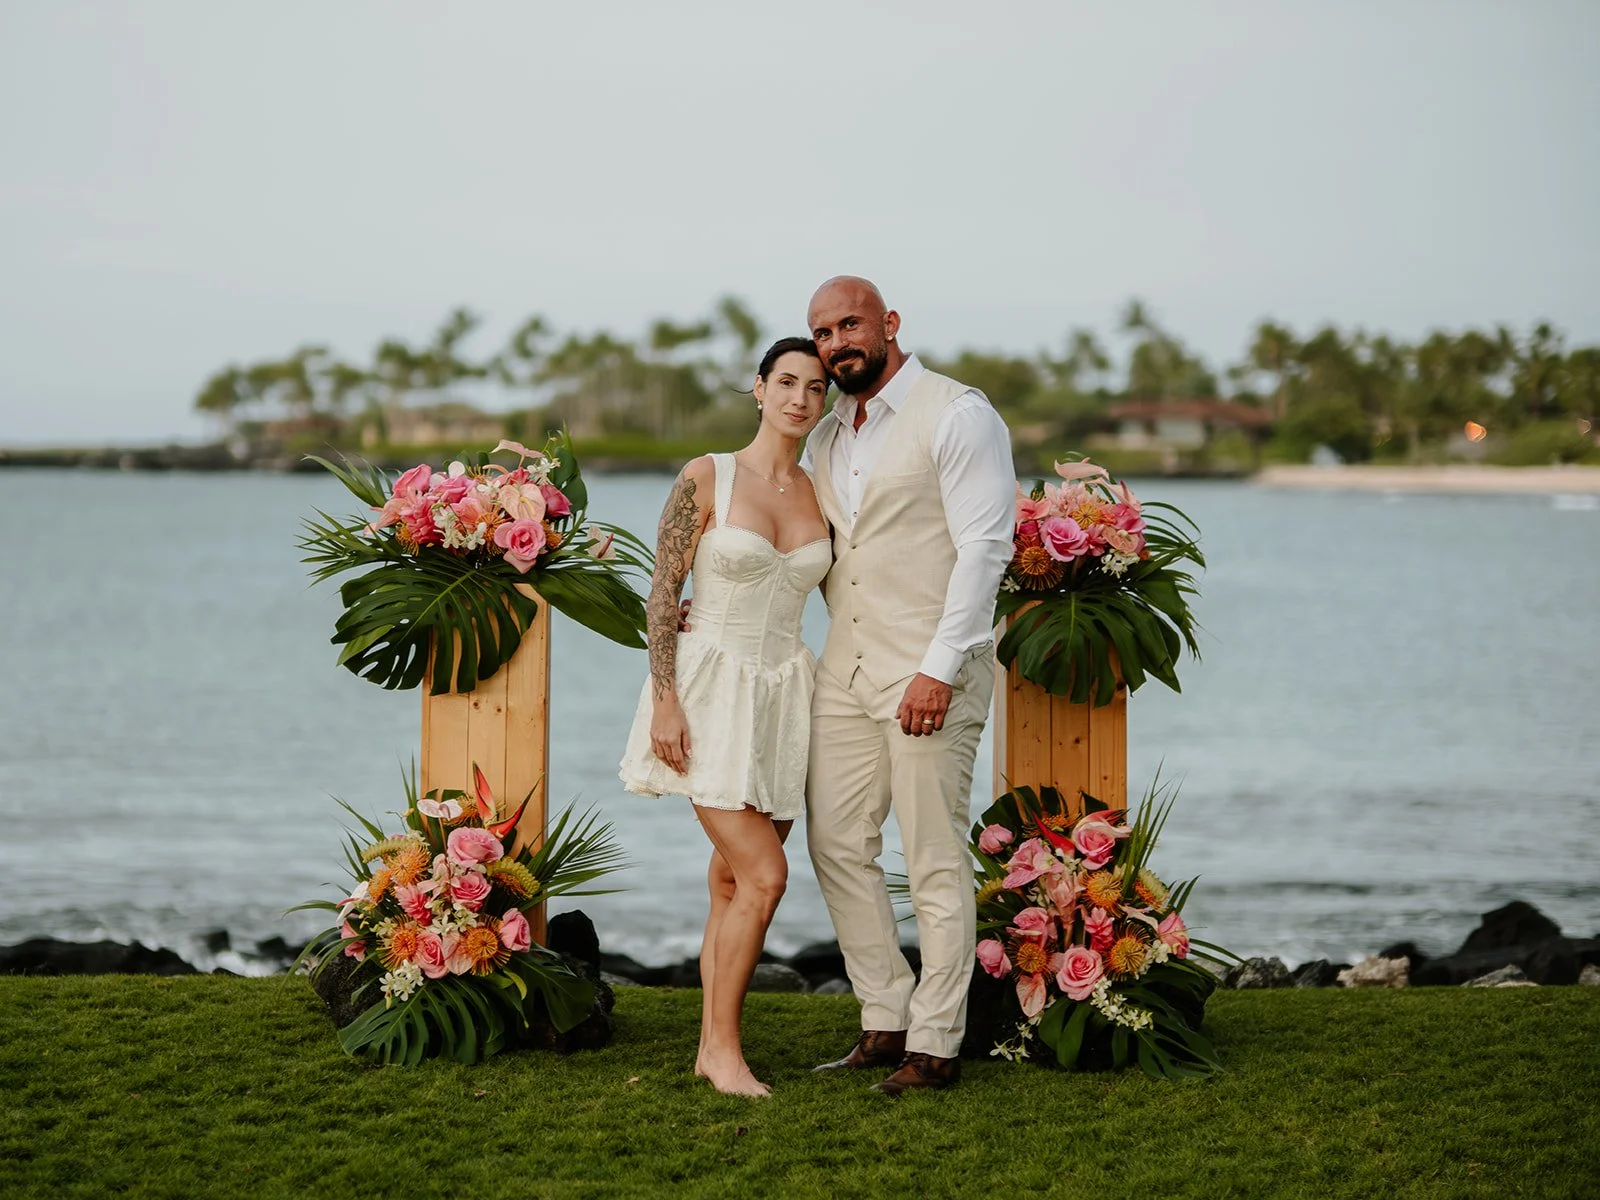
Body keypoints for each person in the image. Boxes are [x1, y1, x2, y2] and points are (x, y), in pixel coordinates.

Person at [801, 276, 1014, 1095]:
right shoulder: (825, 441)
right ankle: (884, 1017)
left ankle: (936, 1043)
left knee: (930, 856)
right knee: (835, 844)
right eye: (821, 333)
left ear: (889, 324)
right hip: (844, 670)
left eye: (849, 324)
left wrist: (936, 670)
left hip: (931, 670)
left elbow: (985, 550)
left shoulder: (958, 414)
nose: (836, 343)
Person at [617, 336, 832, 1098]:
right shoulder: (706, 475)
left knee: (730, 882)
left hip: (784, 697)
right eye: (786, 382)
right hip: (707, 687)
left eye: (815, 386)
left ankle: (711, 1044)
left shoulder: (823, 489)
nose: (800, 398)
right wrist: (665, 696)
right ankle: (722, 1051)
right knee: (765, 876)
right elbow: (659, 592)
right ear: (759, 388)